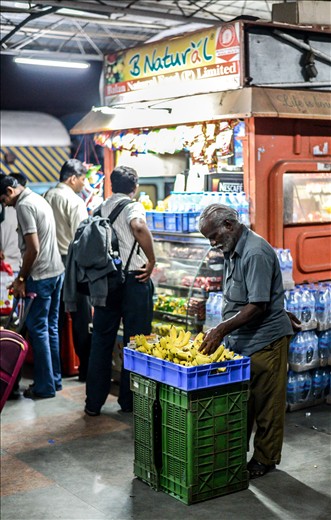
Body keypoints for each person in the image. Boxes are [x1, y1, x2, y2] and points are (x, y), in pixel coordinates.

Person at [198, 204, 300, 479]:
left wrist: (220, 329)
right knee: (245, 403)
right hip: (241, 341)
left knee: (267, 405)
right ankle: (236, 453)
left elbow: (257, 305)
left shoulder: (255, 252)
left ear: (230, 225)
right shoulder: (233, 250)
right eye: (208, 237)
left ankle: (265, 459)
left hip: (265, 342)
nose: (212, 242)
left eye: (214, 235)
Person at [85, 165, 155, 416]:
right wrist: (152, 259)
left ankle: (93, 403)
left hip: (106, 282)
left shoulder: (100, 208)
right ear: (134, 187)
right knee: (135, 343)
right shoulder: (133, 206)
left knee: (101, 341)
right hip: (134, 281)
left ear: (112, 185)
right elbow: (138, 226)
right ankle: (130, 401)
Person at [0, 174, 64, 399]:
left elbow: (33, 248)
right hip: (56, 272)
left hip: (40, 275)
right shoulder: (38, 198)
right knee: (50, 328)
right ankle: (54, 380)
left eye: (2, 200)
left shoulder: (24, 206)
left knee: (38, 330)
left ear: (9, 191)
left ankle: (44, 387)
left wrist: (21, 279)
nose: (3, 205)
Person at [44, 159, 91, 382]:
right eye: (83, 179)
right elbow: (83, 238)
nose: (84, 183)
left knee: (56, 321)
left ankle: (57, 371)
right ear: (73, 178)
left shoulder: (46, 196)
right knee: (81, 317)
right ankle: (85, 370)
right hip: (72, 263)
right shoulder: (74, 201)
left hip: (49, 263)